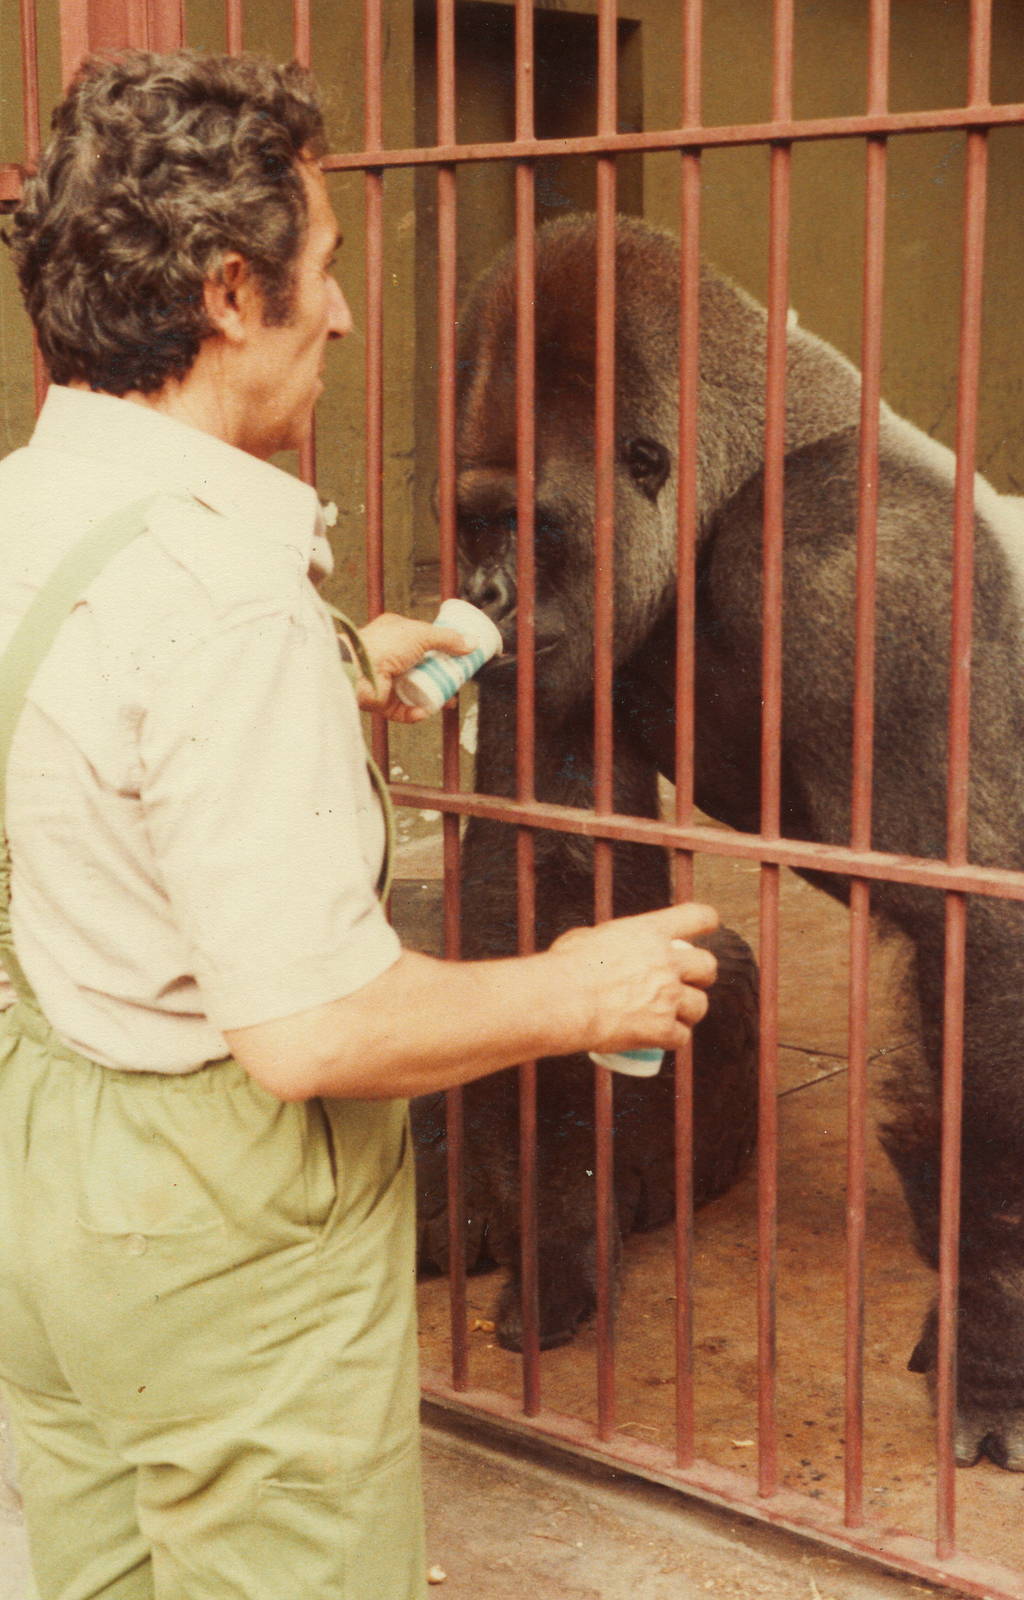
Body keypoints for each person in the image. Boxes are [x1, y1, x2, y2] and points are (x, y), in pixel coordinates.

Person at [0, 49, 719, 1600]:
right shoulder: (221, 601)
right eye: (320, 274)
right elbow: (316, 1032)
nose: (342, 314)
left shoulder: (26, 515)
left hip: (48, 1196)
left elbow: (92, 738)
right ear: (225, 291)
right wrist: (581, 986)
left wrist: (337, 661)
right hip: (218, 1244)